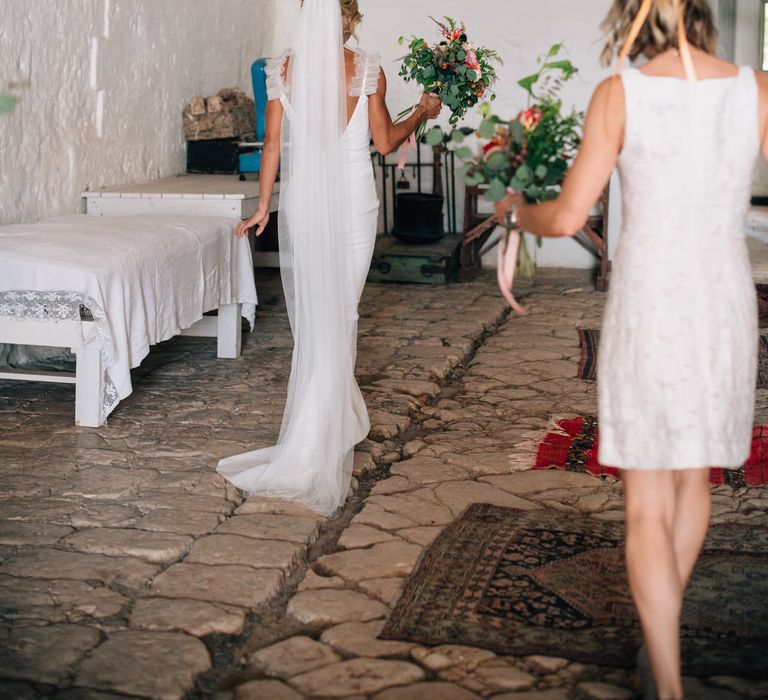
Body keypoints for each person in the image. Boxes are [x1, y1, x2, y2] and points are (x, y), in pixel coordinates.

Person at [495, 0, 765, 697]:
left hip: (651, 304)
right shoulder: (757, 90)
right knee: (695, 478)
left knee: (646, 500)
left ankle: (666, 680)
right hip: (723, 303)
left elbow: (569, 217)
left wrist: (515, 211)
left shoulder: (619, 94)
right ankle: (661, 631)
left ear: (633, 19)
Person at [217, 0, 441, 516]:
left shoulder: (282, 72)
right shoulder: (367, 70)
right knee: (342, 313)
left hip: (306, 202)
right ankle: (317, 439)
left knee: (324, 316)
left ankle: (326, 426)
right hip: (354, 203)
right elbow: (385, 143)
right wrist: (423, 113)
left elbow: (272, 144)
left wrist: (264, 206)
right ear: (348, 19)